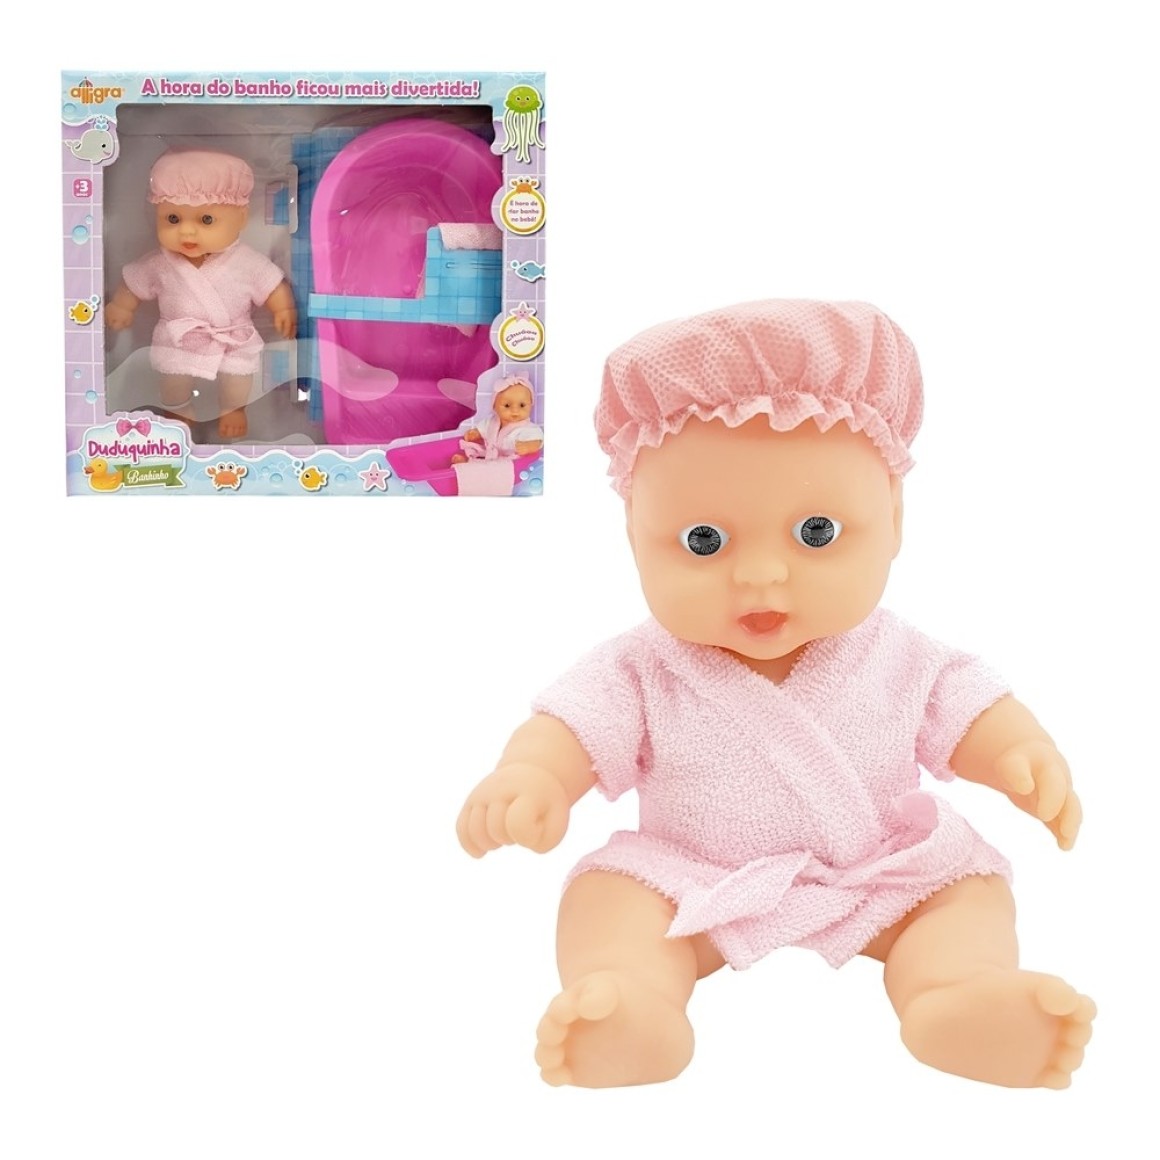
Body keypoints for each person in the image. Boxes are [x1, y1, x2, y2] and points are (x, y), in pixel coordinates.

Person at [456, 300, 1095, 1090]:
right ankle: (633, 1003)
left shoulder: (901, 656)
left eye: (816, 533)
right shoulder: (642, 667)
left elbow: (970, 707)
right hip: (691, 877)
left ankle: (957, 993)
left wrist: (1021, 753)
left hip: (880, 873)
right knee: (606, 900)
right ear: (633, 536)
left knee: (967, 894)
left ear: (894, 518)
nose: (760, 575)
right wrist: (534, 777)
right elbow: (574, 726)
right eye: (704, 542)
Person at [105, 150, 297, 440]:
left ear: (241, 218)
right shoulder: (160, 262)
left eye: (206, 219)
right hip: (179, 337)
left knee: (237, 377)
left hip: (233, 336)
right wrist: (122, 305)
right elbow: (134, 282)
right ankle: (178, 408)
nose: (186, 232)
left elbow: (272, 285)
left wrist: (284, 310)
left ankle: (233, 409)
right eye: (172, 218)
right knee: (173, 380)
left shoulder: (246, 261)